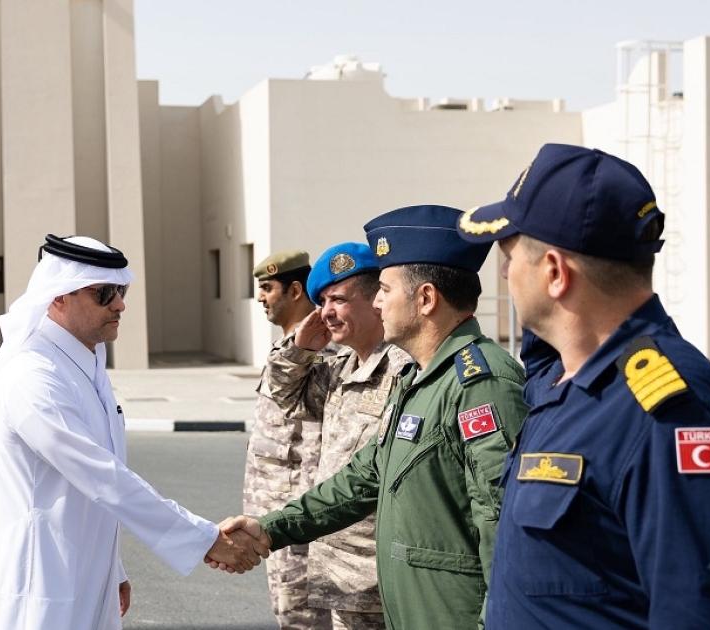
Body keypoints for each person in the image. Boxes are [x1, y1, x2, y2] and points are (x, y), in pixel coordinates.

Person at [456, 143, 710, 628]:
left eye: (509, 257)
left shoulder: (669, 413)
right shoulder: (565, 384)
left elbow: (703, 614)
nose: (505, 273)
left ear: (555, 272)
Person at [218, 205, 528, 630]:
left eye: (383, 289)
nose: (377, 302)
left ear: (425, 299)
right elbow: (362, 479)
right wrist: (271, 529)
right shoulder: (422, 378)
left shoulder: (479, 383)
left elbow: (502, 527)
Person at [0, 234, 269, 630]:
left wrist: (112, 569)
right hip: (40, 583)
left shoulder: (84, 362)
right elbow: (101, 476)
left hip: (86, 574)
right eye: (104, 293)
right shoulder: (32, 376)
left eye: (121, 291)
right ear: (58, 296)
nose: (120, 304)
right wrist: (204, 539)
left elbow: (94, 490)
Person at [264, 242, 412, 629]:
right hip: (336, 571)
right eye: (323, 301)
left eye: (339, 300)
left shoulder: (404, 369)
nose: (326, 312)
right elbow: (284, 398)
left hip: (380, 573)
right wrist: (300, 349)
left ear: (376, 301)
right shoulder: (340, 368)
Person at [243, 250, 332, 630]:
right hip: (274, 517)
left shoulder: (324, 352)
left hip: (298, 516)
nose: (260, 297)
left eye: (268, 288)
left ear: (295, 290)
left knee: (304, 619)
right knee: (289, 614)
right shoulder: (288, 349)